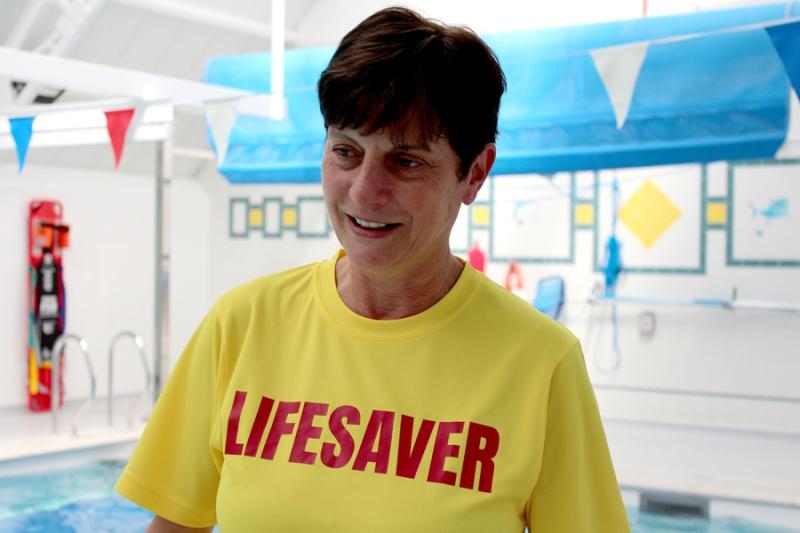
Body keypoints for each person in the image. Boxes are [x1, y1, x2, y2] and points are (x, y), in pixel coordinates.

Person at [116, 7, 630, 532]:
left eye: (405, 161)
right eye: (346, 152)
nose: (364, 191)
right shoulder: (241, 326)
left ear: (474, 173)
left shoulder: (540, 363)